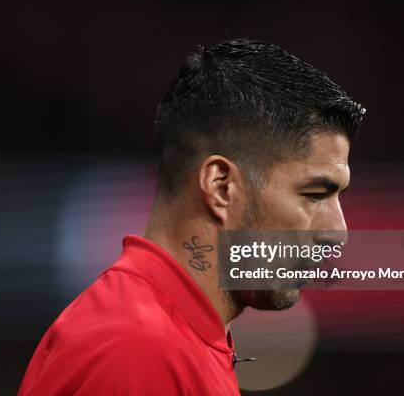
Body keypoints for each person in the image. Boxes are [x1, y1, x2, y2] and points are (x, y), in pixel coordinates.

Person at [18, 39, 365, 395]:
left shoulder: (177, 336)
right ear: (220, 187)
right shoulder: (139, 348)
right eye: (314, 194)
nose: (337, 232)